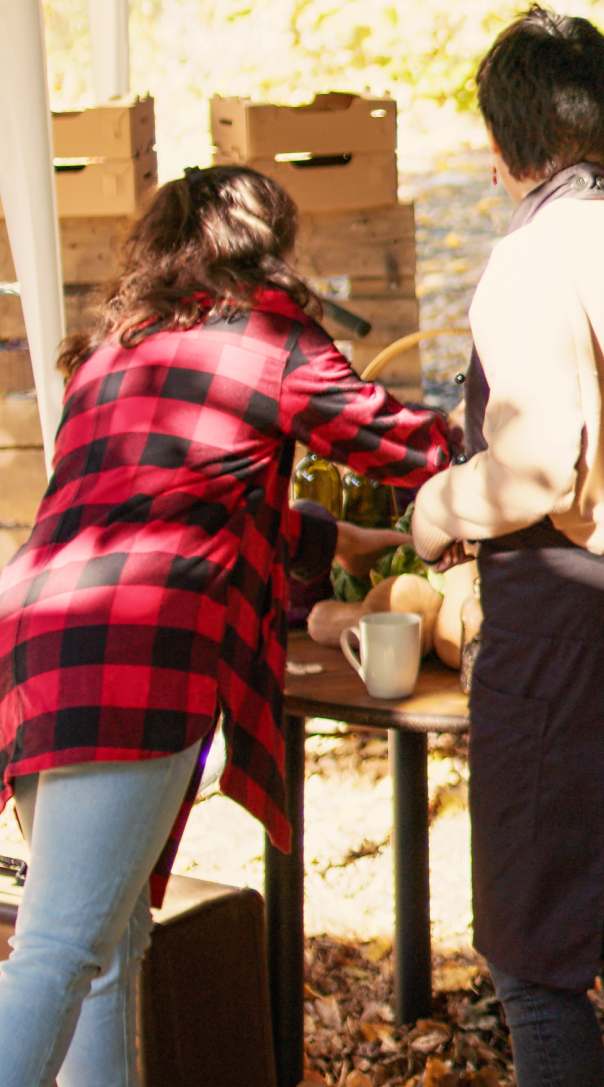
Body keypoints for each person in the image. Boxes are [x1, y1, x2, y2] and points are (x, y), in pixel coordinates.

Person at [0, 166, 453, 1087]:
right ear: (264, 248)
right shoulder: (268, 339)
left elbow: (172, 499)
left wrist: (328, 537)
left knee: (105, 950)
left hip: (39, 642)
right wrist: (508, 452)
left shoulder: (118, 348)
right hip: (132, 655)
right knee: (61, 949)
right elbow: (403, 445)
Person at [410, 7, 604, 1087]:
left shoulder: (532, 262)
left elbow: (540, 465)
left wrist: (440, 506)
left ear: (502, 145)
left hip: (562, 632)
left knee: (534, 960)